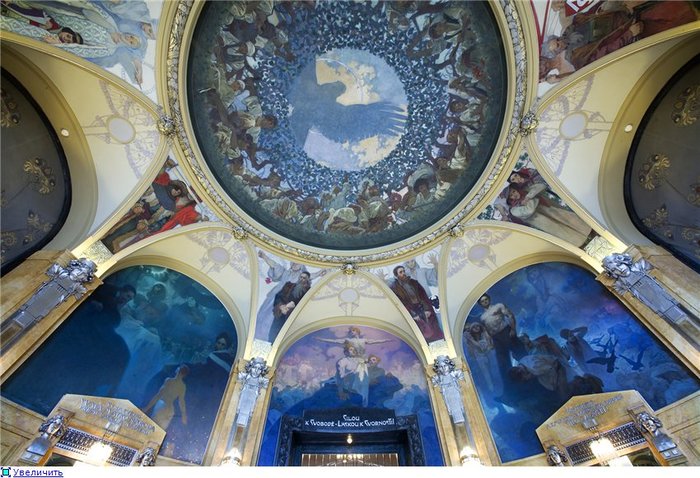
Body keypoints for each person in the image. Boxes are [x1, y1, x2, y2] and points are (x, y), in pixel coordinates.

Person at [390, 266, 444, 342]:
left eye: (404, 271)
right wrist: (413, 314)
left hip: (422, 307)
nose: (403, 273)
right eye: (401, 272)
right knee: (421, 331)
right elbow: (400, 304)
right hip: (410, 311)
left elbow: (423, 296)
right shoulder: (395, 288)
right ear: (396, 275)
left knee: (432, 327)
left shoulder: (414, 283)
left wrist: (427, 309)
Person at [477, 294, 519, 376]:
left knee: (517, 350)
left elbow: (510, 315)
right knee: (502, 360)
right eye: (482, 301)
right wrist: (490, 343)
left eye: (486, 299)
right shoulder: (482, 317)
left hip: (505, 331)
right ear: (480, 304)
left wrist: (513, 329)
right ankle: (510, 377)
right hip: (495, 337)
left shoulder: (498, 306)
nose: (485, 302)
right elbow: (486, 331)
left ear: (489, 299)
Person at [268, 272, 312, 342]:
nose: (301, 279)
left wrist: (291, 308)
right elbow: (278, 296)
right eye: (300, 277)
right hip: (281, 314)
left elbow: (307, 307)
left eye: (304, 278)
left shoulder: (309, 292)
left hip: (292, 319)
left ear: (308, 280)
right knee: (273, 335)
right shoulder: (289, 286)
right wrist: (281, 306)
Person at [144, 365, 189, 431]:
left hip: (162, 406)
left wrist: (147, 408)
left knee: (151, 428)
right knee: (160, 431)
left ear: (178, 370)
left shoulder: (169, 381)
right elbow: (181, 401)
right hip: (170, 410)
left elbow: (159, 395)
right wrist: (183, 414)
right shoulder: (183, 386)